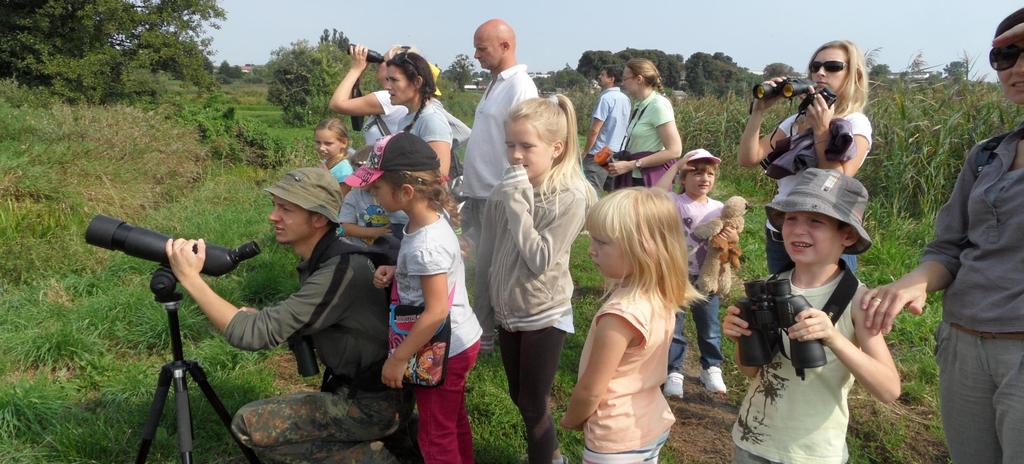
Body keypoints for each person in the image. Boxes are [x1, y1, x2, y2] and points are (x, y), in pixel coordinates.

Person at [860, 8, 1024, 463]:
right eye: (1007, 55)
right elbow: (950, 247)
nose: (1018, 67)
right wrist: (913, 282)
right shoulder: (988, 155)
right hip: (963, 341)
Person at [163, 167, 414, 463]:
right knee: (270, 439)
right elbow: (299, 316)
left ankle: (379, 457)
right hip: (361, 391)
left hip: (374, 406)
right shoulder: (327, 257)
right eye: (274, 206)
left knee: (249, 424)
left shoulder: (342, 269)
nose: (273, 216)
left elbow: (253, 334)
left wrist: (190, 279)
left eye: (286, 209)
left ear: (318, 219)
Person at [722, 168, 900, 464]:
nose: (798, 229)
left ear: (847, 234)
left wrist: (833, 337)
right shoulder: (768, 288)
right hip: (752, 442)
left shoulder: (859, 301)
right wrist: (741, 336)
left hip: (814, 453)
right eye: (791, 218)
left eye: (815, 220)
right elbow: (752, 371)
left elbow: (889, 390)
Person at [345, 133, 483, 464]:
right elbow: (435, 272)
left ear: (405, 192)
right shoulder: (426, 223)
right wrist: (399, 270)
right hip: (456, 342)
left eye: (376, 188)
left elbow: (435, 312)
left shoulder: (426, 245)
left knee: (435, 435)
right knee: (451, 421)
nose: (371, 193)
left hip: (439, 347)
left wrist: (398, 359)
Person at [474, 95, 596, 464]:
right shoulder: (505, 188)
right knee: (518, 396)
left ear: (556, 148)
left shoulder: (570, 198)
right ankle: (550, 455)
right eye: (510, 144)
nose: (515, 155)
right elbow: (487, 254)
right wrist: (483, 317)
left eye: (527, 146)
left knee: (532, 402)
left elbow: (540, 258)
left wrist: (517, 206)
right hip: (507, 310)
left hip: (544, 311)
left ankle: (547, 459)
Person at [560, 188, 700, 463]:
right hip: (649, 425)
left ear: (642, 247)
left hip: (614, 437)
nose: (591, 250)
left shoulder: (620, 314)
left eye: (601, 242)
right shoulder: (661, 296)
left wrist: (571, 419)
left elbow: (591, 389)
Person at [737, 40, 872, 274]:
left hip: (825, 237)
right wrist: (758, 111)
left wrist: (821, 130)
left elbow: (834, 181)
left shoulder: (854, 123)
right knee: (783, 306)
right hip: (782, 232)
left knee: (827, 309)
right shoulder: (795, 122)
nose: (820, 72)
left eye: (832, 67)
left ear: (854, 75)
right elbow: (749, 158)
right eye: (815, 66)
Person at [652, 148, 733, 397]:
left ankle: (712, 368)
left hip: (706, 276)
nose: (704, 178)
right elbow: (655, 194)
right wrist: (676, 166)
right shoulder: (675, 203)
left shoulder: (719, 208)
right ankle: (674, 370)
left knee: (709, 325)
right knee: (675, 326)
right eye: (696, 173)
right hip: (677, 274)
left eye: (709, 174)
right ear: (683, 179)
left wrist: (732, 237)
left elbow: (731, 236)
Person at [460, 18, 538, 248]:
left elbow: (526, 145)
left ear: (505, 46)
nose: (475, 55)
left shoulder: (520, 86)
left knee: (495, 270)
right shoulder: (497, 83)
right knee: (477, 270)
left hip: (497, 198)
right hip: (479, 195)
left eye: (481, 48)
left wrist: (511, 197)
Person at [604, 58, 683, 189]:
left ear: (639, 79)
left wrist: (631, 165)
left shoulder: (658, 105)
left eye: (625, 79)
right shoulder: (640, 104)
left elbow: (675, 150)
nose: (622, 83)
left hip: (650, 180)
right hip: (636, 177)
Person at [384, 51, 454, 177]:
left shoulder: (432, 121)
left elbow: (439, 175)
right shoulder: (405, 119)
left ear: (417, 82)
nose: (388, 86)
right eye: (388, 80)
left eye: (394, 80)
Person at [329, 44, 410, 148]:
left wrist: (355, 69)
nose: (377, 64)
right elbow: (352, 105)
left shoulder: (387, 98)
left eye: (382, 61)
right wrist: (359, 74)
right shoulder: (396, 97)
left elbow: (336, 104)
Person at [339, 145, 410, 244]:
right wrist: (374, 232)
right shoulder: (353, 197)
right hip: (362, 251)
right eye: (355, 173)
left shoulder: (392, 195)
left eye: (364, 176)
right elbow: (344, 228)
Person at [582, 65, 631, 195]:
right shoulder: (626, 99)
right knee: (612, 193)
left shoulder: (605, 98)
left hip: (601, 151)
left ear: (611, 79)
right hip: (617, 151)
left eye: (603, 75)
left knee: (591, 192)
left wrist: (586, 151)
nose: (599, 76)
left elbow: (595, 130)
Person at [315, 118, 356, 196]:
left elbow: (339, 200)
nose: (321, 147)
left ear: (344, 142)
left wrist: (326, 178)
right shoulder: (326, 161)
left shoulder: (344, 170)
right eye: (318, 142)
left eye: (328, 143)